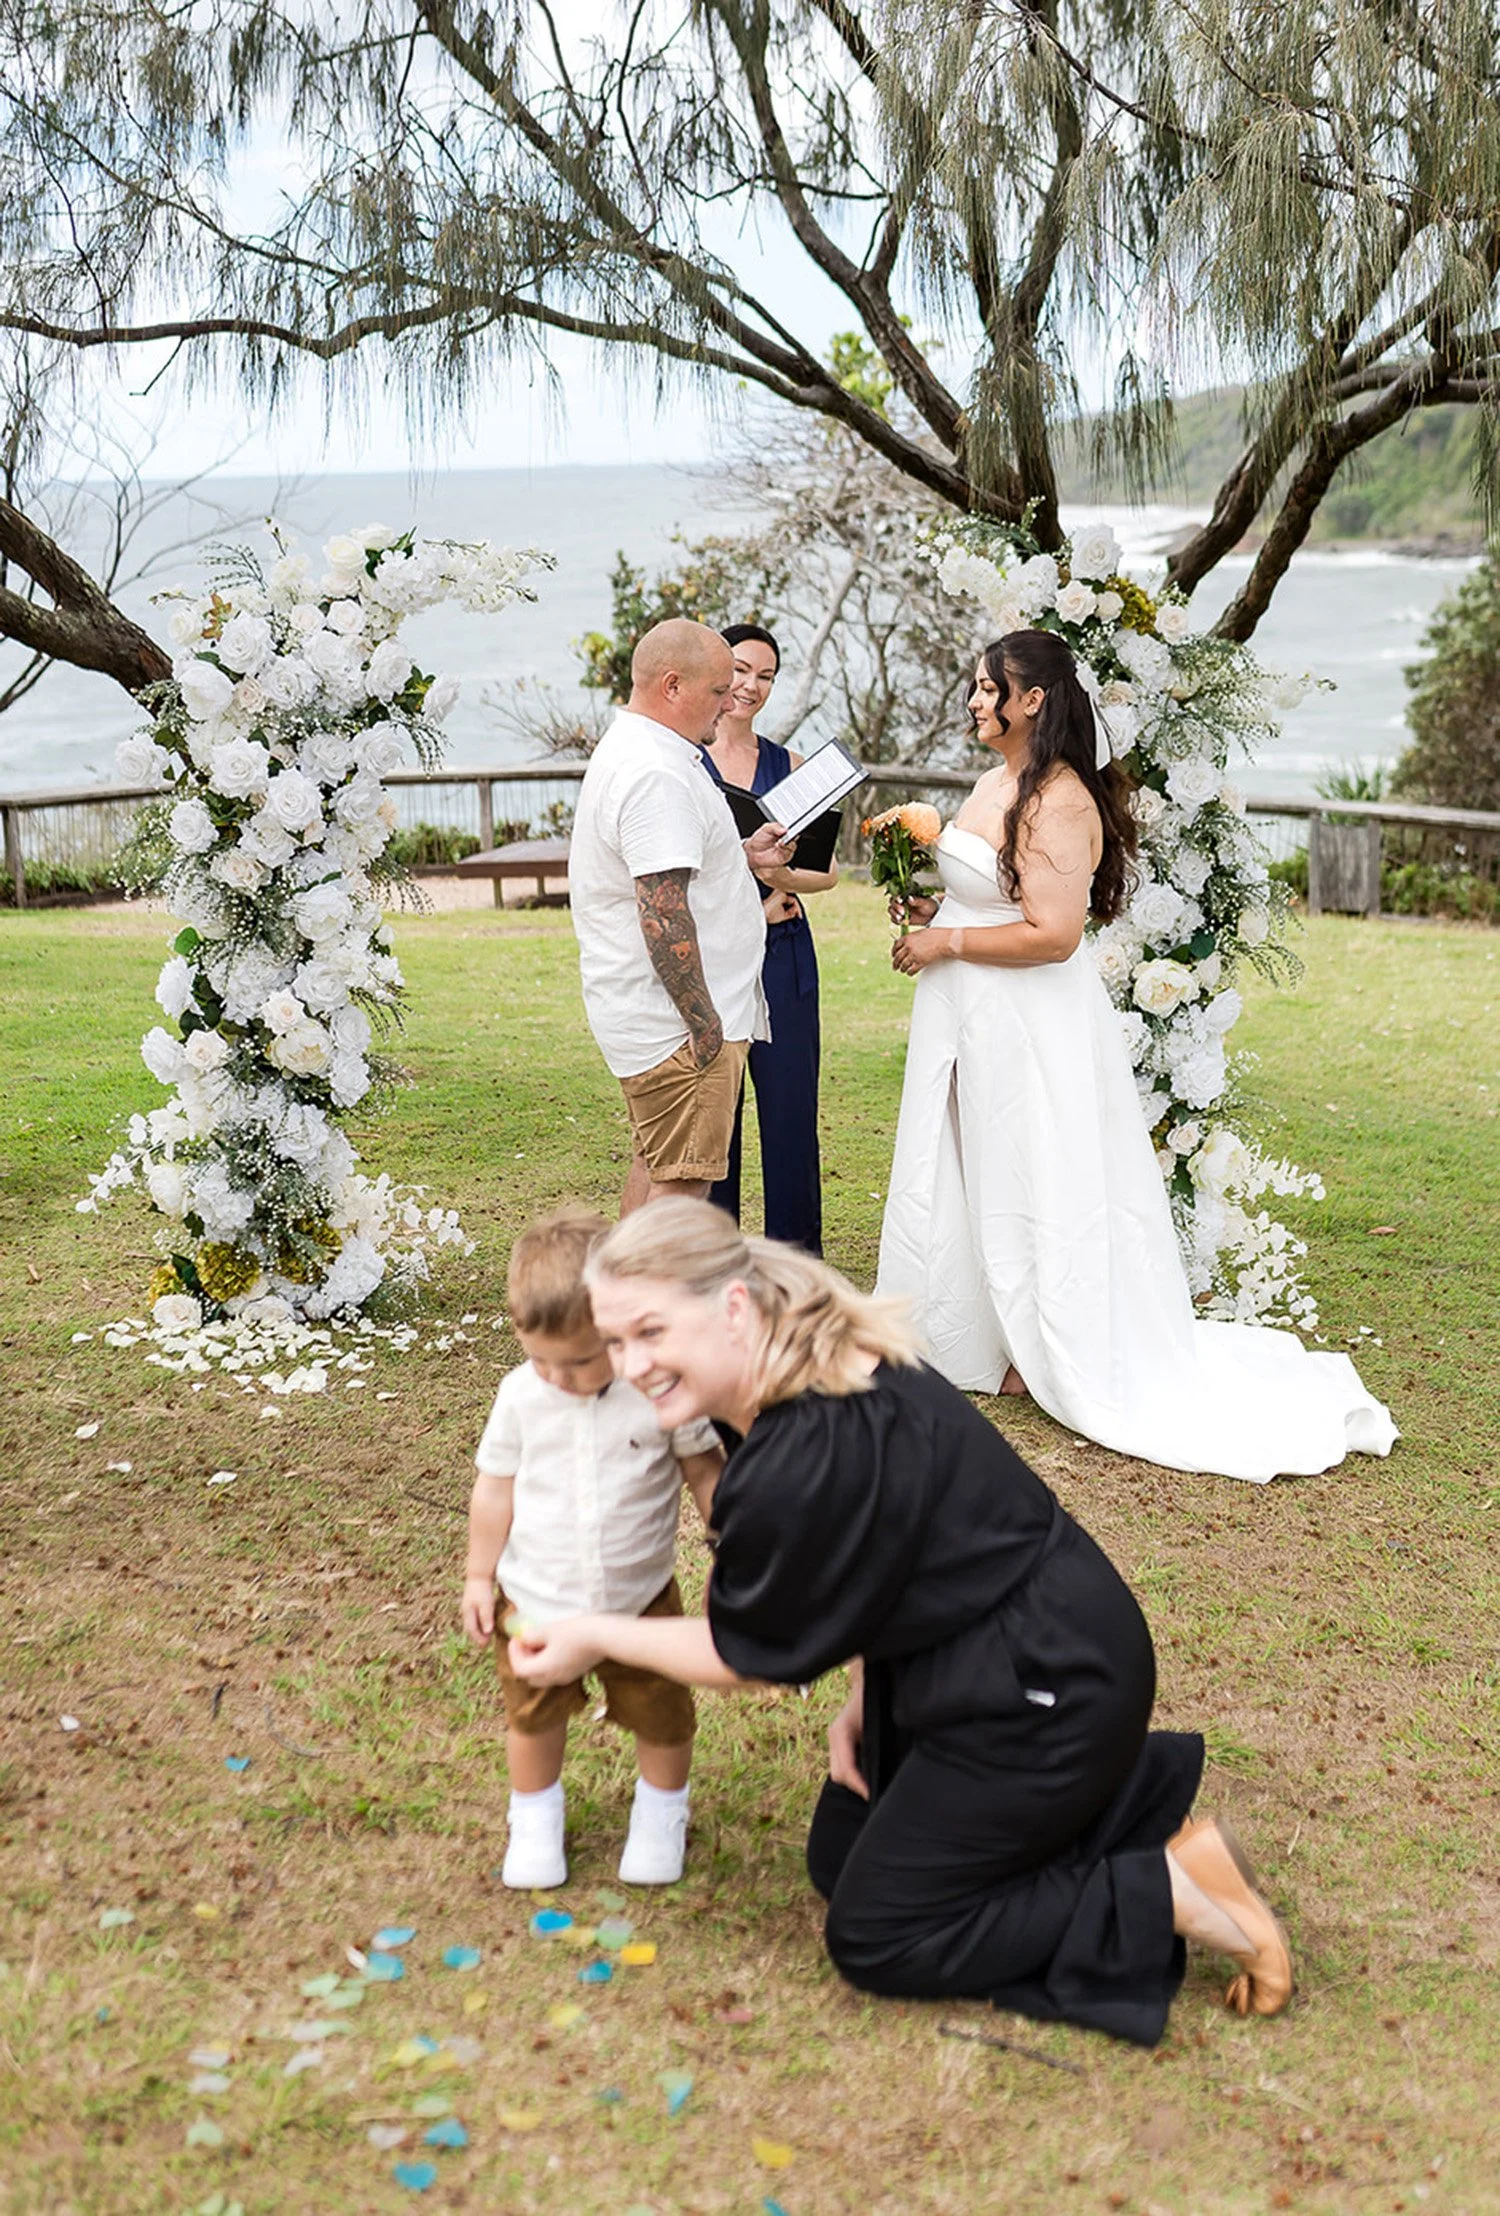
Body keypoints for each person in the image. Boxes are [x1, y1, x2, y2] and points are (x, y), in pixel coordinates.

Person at [508, 1199, 1295, 2046]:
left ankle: (1163, 1886)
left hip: (1044, 1685)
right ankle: (1128, 1817)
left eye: (650, 1332)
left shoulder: (797, 1452)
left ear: (733, 1307)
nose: (629, 1365)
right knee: (840, 1859)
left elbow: (748, 1656)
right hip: (988, 1655)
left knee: (879, 1935)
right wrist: (862, 1688)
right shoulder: (816, 1352)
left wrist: (592, 1634)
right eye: (616, 1340)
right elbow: (877, 1553)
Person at [874, 628, 1397, 1483]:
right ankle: (983, 1333)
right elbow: (993, 894)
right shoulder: (992, 781)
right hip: (970, 1015)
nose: (973, 701)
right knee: (971, 1164)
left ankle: (1052, 1343)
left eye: (985, 688)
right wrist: (929, 911)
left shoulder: (1063, 800)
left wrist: (949, 944)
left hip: (1028, 1022)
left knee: (1031, 1169)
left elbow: (1052, 935)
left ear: (1031, 699)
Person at [461, 1208, 724, 1888]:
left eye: (579, 1361)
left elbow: (704, 1471)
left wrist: (729, 1540)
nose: (558, 1377)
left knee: (661, 1711)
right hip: (535, 1597)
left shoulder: (657, 1391)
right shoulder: (521, 1398)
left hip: (640, 1596)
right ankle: (536, 1816)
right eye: (540, 1360)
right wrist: (476, 1576)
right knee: (532, 1712)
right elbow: (496, 1489)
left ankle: (662, 1810)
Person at [570, 617, 795, 1214]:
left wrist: (741, 856)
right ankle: (649, 1308)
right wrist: (704, 1028)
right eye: (719, 690)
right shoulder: (657, 772)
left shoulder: (649, 748)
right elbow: (663, 912)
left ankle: (620, 1306)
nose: (729, 704)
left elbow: (670, 869)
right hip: (678, 1025)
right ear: (672, 685)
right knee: (682, 1194)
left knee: (658, 1165)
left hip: (657, 1016)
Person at [700, 623, 838, 1253]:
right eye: (740, 670)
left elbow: (827, 871)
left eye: (766, 677)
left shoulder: (794, 766)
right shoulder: (686, 764)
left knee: (789, 1120)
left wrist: (778, 872)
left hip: (783, 959)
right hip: (713, 961)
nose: (750, 686)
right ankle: (713, 1266)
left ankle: (796, 1269)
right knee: (713, 1125)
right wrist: (751, 875)